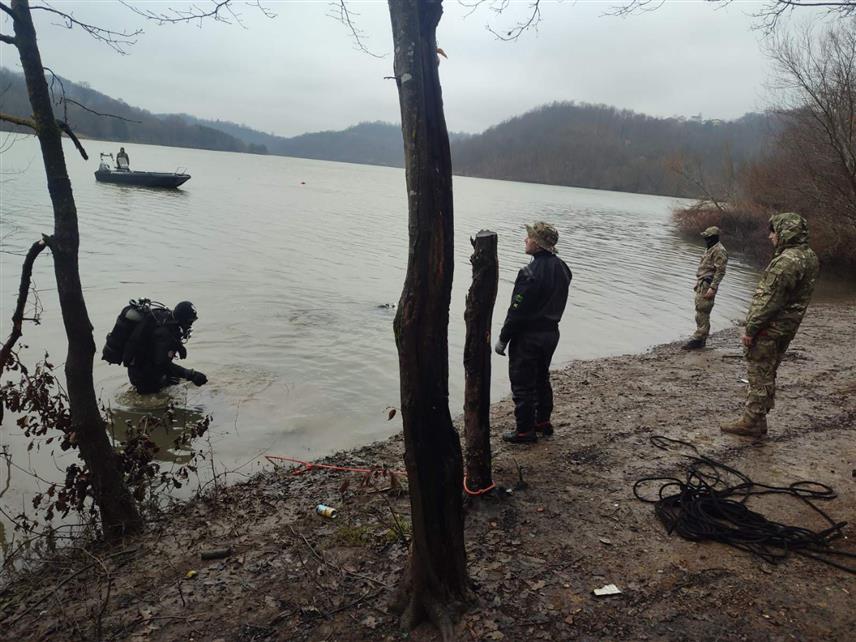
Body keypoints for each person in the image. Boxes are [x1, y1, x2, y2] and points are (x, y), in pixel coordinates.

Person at [720, 212, 819, 437]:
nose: (770, 237)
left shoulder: (787, 261)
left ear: (785, 232)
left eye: (773, 232)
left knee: (758, 372)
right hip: (787, 327)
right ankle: (759, 419)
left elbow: (770, 301)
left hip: (770, 328)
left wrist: (751, 328)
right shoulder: (809, 256)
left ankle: (751, 421)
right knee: (768, 371)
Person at [494, 222, 572, 444]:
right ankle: (542, 421)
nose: (525, 240)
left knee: (522, 384)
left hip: (528, 337)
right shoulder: (564, 268)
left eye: (528, 238)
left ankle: (524, 431)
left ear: (537, 244)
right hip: (551, 334)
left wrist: (503, 338)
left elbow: (517, 310)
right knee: (541, 377)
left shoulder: (529, 273)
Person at [123, 300, 208, 394]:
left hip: (140, 366)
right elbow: (163, 364)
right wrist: (191, 374)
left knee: (172, 382)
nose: (190, 325)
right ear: (182, 319)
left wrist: (179, 346)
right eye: (189, 321)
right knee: (155, 402)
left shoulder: (167, 318)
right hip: (142, 374)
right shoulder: (165, 334)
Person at [683, 225, 728, 350]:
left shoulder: (719, 250)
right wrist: (698, 282)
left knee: (703, 310)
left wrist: (712, 288)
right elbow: (706, 267)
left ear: (713, 238)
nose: (705, 240)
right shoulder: (710, 248)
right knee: (700, 309)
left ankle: (699, 338)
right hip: (703, 282)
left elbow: (720, 271)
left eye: (707, 237)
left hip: (708, 284)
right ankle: (700, 337)